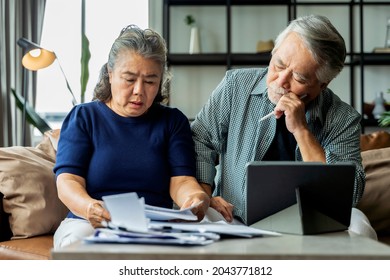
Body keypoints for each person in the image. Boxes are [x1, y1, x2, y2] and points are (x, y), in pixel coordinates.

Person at [191, 15, 377, 239]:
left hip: (313, 223)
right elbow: (200, 138)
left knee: (360, 225)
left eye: (298, 77)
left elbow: (349, 195)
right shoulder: (235, 86)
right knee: (199, 219)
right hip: (233, 214)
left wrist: (301, 130)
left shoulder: (342, 118)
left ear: (322, 84)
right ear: (273, 53)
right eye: (278, 65)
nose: (280, 82)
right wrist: (204, 193)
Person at [53, 25, 210, 248]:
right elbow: (67, 181)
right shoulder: (84, 117)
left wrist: (194, 199)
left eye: (150, 81)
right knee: (80, 246)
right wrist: (89, 207)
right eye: (129, 79)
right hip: (88, 222)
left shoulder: (172, 121)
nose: (139, 90)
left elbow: (182, 181)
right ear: (110, 73)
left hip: (154, 225)